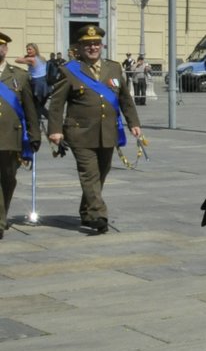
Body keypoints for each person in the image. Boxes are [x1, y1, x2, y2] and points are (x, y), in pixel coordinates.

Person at [47, 25, 141, 234]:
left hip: (108, 132)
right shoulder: (70, 70)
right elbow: (56, 104)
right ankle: (99, 215)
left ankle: (87, 211)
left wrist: (134, 123)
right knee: (89, 174)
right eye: (88, 44)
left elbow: (125, 99)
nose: (93, 47)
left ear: (102, 45)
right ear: (79, 47)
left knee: (100, 174)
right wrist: (55, 130)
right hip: (79, 133)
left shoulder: (114, 68)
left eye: (96, 43)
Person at [0, 32, 40, 236]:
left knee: (8, 178)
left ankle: (2, 213)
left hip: (12, 137)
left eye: (1, 46)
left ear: (5, 49)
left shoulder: (19, 76)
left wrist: (35, 135)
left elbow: (30, 109)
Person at [24, 43, 48, 133]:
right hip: (43, 84)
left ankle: (36, 128)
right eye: (27, 49)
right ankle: (52, 119)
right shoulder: (42, 58)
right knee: (40, 106)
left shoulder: (32, 59)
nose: (28, 51)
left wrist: (26, 57)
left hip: (37, 85)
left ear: (35, 49)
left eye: (30, 49)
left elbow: (17, 60)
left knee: (36, 107)